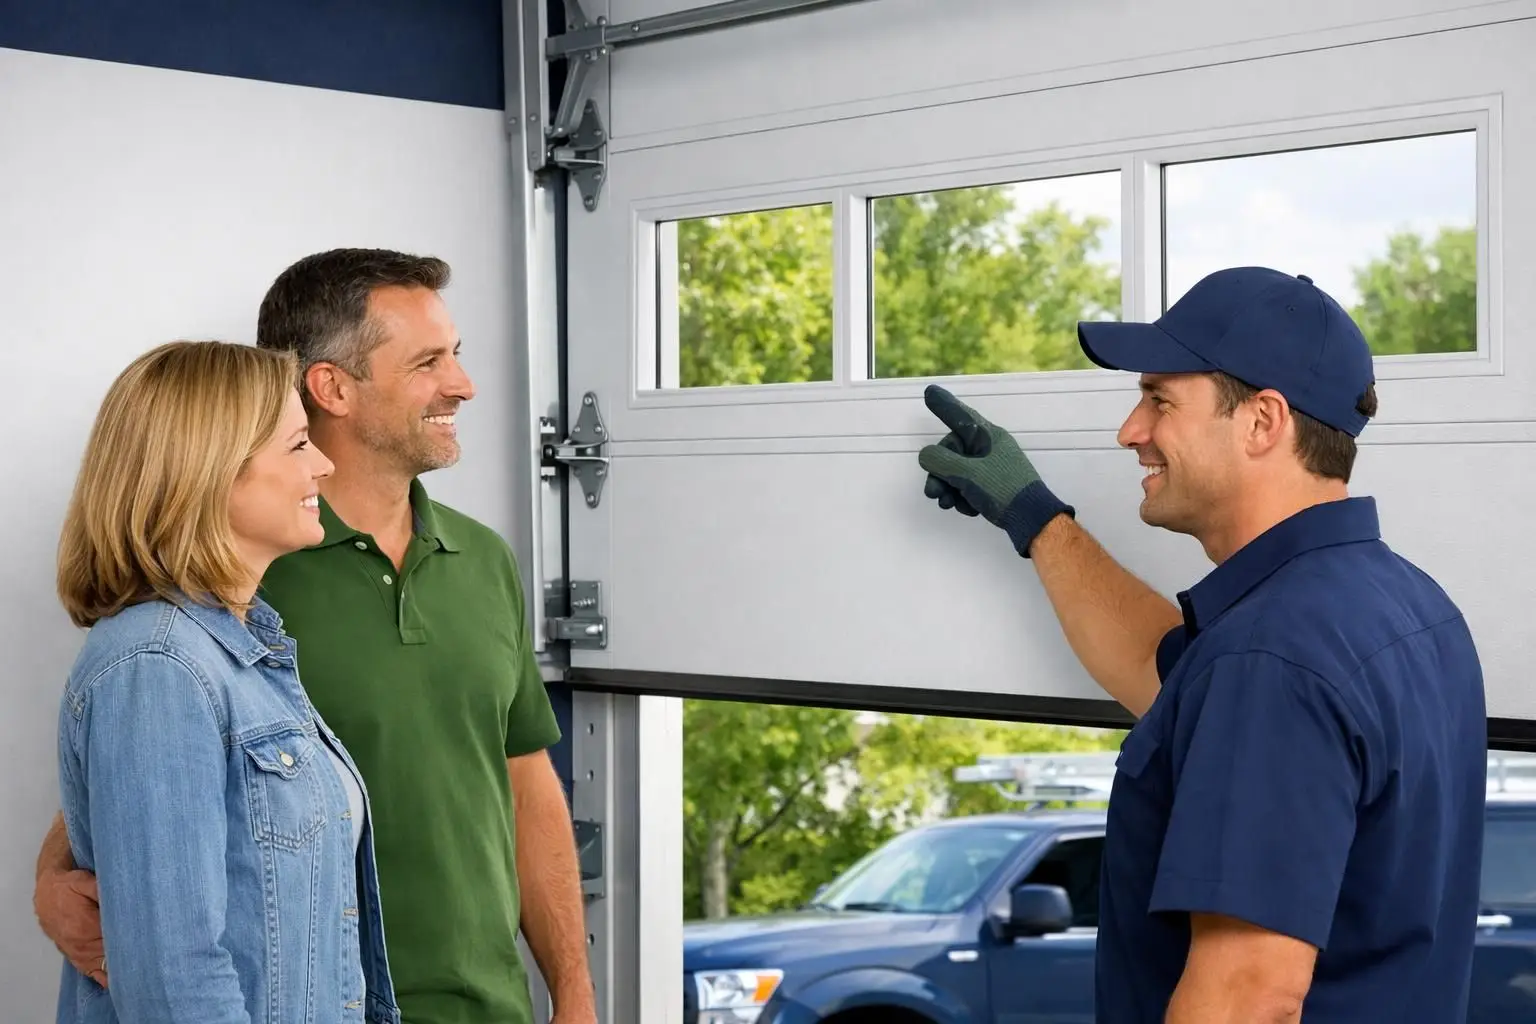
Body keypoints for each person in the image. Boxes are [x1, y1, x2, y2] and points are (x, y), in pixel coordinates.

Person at [35, 250, 596, 1024]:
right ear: (331, 386)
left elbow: (527, 787)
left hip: (440, 1003)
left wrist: (573, 991)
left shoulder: (475, 562)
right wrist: (56, 876)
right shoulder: (204, 619)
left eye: (455, 356)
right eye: (428, 361)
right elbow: (145, 803)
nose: (462, 384)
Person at [916, 266, 1486, 1022]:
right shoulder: (1405, 608)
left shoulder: (1272, 659)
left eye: (1159, 400)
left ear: (1261, 421)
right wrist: (1032, 514)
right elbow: (1165, 676)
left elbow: (1246, 998)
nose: (1131, 431)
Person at [49, 340, 399, 1023]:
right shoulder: (158, 668)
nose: (323, 465)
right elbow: (174, 986)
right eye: (299, 444)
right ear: (211, 472)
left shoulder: (239, 650)